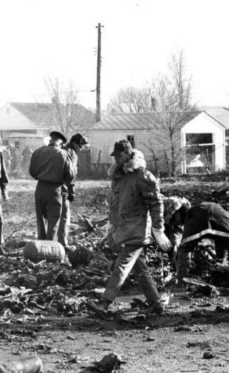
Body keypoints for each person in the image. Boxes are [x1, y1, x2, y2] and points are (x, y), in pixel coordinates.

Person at [86, 141, 171, 315]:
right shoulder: (119, 177)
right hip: (123, 228)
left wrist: (158, 230)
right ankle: (155, 303)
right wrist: (110, 227)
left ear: (127, 154)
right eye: (114, 156)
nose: (115, 159)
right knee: (140, 268)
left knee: (122, 265)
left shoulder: (143, 176)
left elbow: (156, 203)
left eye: (118, 155)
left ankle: (105, 303)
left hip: (137, 229)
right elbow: (114, 205)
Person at [29, 131, 75, 243]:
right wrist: (70, 190)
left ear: (51, 140)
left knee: (40, 220)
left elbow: (32, 171)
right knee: (53, 222)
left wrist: (42, 176)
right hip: (55, 190)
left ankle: (40, 246)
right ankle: (50, 249)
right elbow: (70, 175)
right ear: (60, 142)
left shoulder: (38, 152)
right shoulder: (63, 154)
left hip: (40, 188)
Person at [177, 202, 229, 281]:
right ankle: (220, 268)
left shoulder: (189, 214)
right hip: (222, 217)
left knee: (185, 246)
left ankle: (182, 279)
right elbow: (221, 240)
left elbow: (186, 245)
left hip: (201, 215)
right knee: (222, 239)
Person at [58, 134, 89, 247]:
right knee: (64, 216)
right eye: (80, 145)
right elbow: (70, 174)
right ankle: (62, 242)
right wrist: (72, 191)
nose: (81, 148)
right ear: (75, 143)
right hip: (63, 188)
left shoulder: (62, 150)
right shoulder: (71, 153)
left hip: (54, 187)